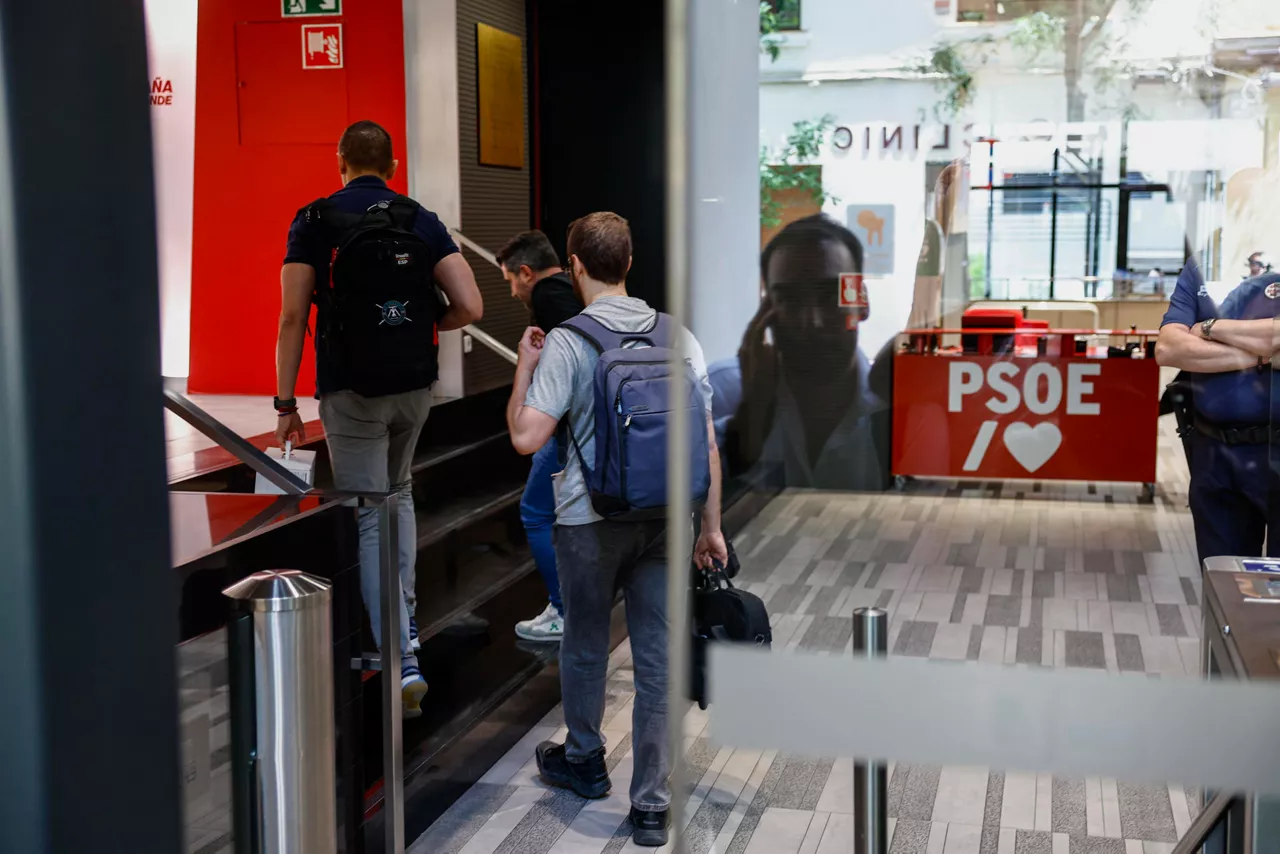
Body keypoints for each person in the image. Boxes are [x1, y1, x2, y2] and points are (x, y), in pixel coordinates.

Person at [504, 212, 726, 847]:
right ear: (629, 263)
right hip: (666, 520)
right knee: (657, 660)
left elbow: (526, 437)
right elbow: (706, 443)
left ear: (574, 266)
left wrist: (525, 365)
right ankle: (653, 805)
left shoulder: (571, 342)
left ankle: (584, 761)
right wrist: (710, 528)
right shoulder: (676, 334)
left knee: (584, 642)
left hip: (588, 519)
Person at [273, 120, 483, 718]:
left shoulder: (314, 220)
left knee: (370, 516)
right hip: (413, 387)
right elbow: (470, 304)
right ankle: (408, 623)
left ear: (340, 160)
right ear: (391, 165)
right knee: (401, 494)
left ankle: (399, 652)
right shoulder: (419, 219)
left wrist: (286, 405)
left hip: (351, 390)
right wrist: (422, 326)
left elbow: (292, 318)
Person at [712, 214, 890, 491]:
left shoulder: (893, 404)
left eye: (832, 297)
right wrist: (751, 415)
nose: (813, 322)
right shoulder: (718, 393)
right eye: (790, 300)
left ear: (862, 303)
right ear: (766, 310)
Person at [1155, 255, 1280, 563]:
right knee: (1223, 585)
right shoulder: (1202, 268)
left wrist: (1208, 328)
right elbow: (1169, 348)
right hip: (1216, 455)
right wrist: (1264, 356)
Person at [497, 230, 584, 641]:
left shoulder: (549, 294)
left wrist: (527, 365)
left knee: (535, 512)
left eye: (511, 281)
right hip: (578, 428)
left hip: (570, 429)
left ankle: (566, 610)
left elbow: (575, 361)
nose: (513, 291)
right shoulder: (573, 286)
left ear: (526, 273)